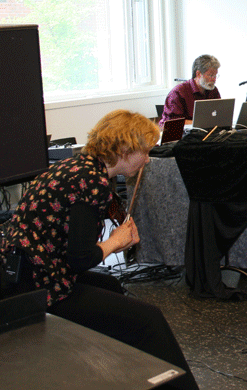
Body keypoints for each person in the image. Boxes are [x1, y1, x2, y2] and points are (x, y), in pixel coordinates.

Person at [0, 110, 199, 390]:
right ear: (124, 150)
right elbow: (81, 259)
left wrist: (121, 223)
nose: (147, 159)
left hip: (28, 270)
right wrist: (115, 242)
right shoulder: (90, 181)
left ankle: (120, 373)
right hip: (36, 285)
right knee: (149, 320)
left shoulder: (79, 166)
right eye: (144, 152)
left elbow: (97, 211)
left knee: (111, 286)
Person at [160, 54, 221, 128]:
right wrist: (202, 124)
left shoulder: (213, 90)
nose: (214, 79)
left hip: (203, 131)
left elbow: (218, 114)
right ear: (198, 74)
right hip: (178, 132)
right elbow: (173, 123)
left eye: (215, 76)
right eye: (211, 75)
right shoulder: (178, 93)